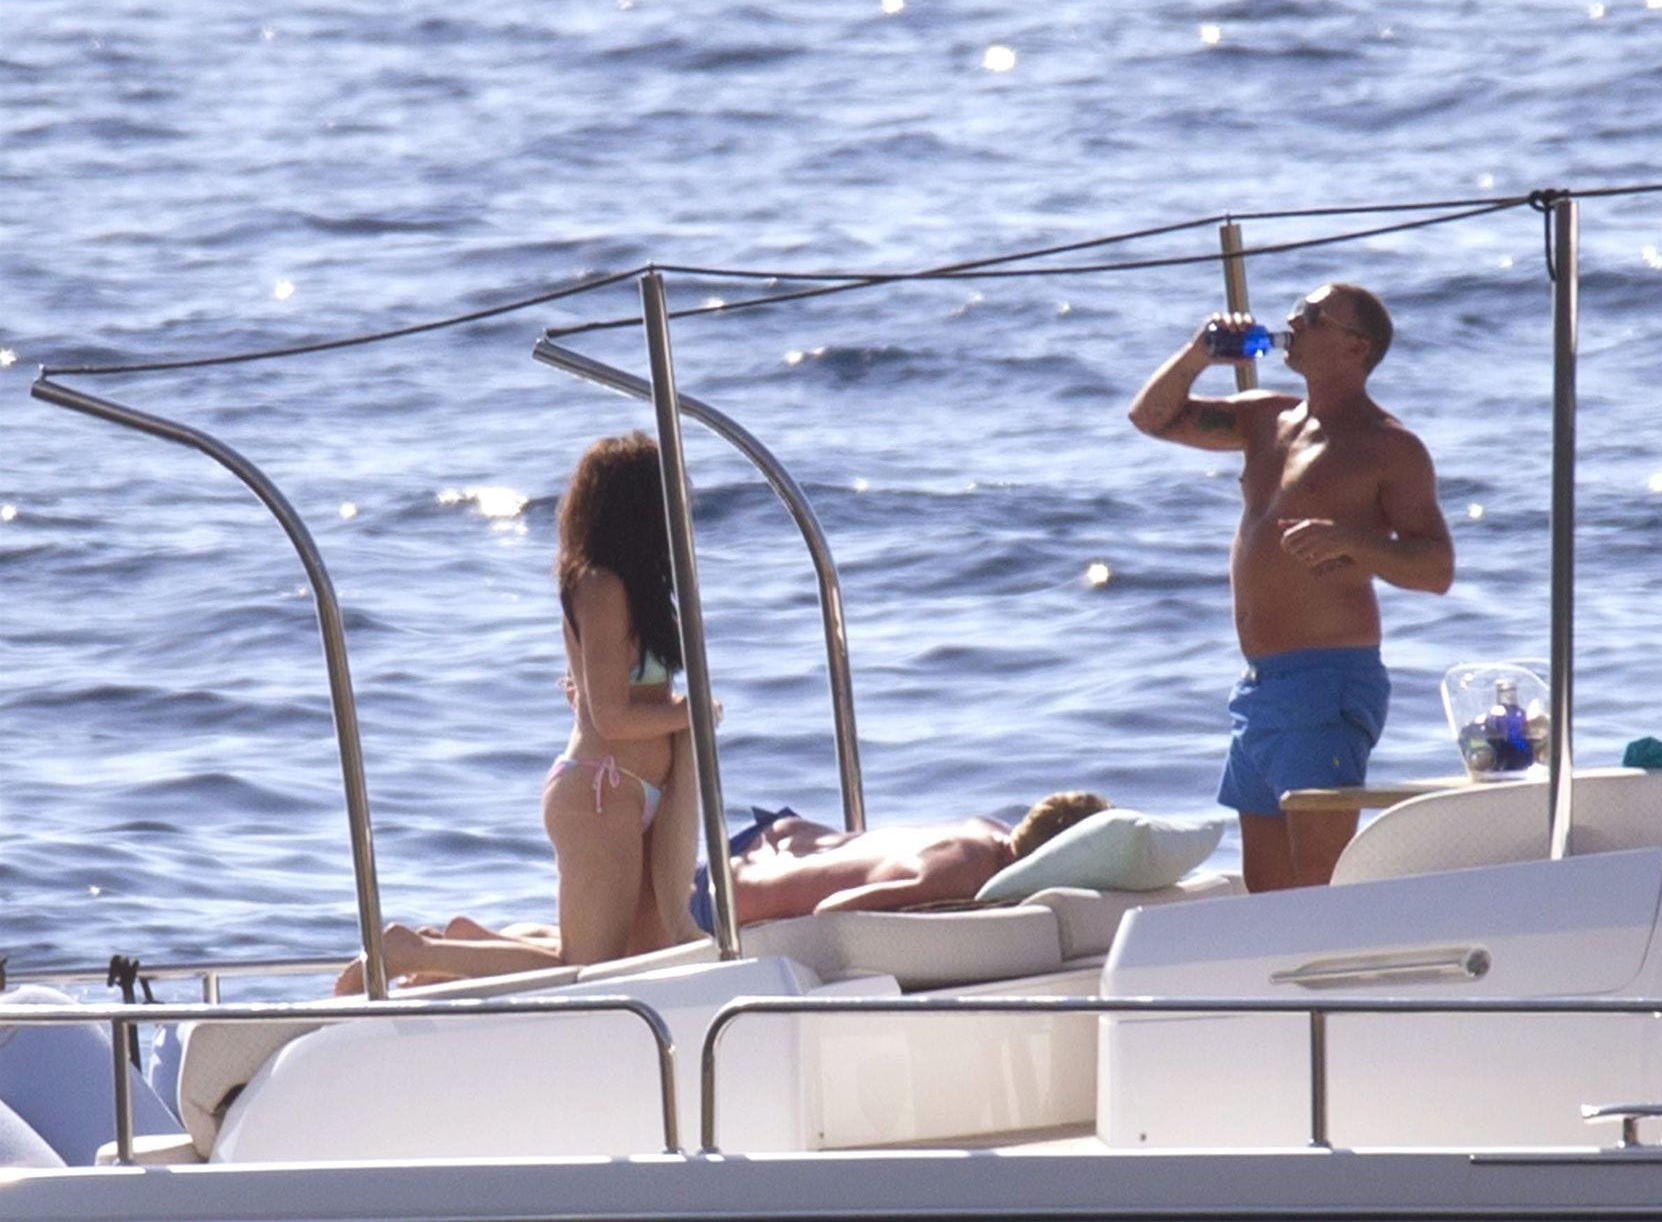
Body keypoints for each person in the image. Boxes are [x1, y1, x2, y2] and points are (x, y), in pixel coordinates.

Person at [338, 432, 705, 995]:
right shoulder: (599, 586)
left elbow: (620, 693)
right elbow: (612, 718)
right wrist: (695, 711)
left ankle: (467, 941)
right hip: (601, 792)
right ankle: (410, 952)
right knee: (585, 968)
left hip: (632, 794)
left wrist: (683, 714)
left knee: (640, 954)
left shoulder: (639, 589)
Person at [1128, 285, 1454, 893]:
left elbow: (1436, 569)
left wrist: (1353, 541)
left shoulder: (1388, 446)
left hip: (1328, 681)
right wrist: (1199, 354)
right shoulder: (1265, 420)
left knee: (1319, 883)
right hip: (1260, 686)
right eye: (1297, 312)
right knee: (1268, 891)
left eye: (1313, 316)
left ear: (1355, 347)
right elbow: (1151, 418)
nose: (1293, 321)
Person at [692, 790, 1114, 930]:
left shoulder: (992, 829)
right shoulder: (970, 875)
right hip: (728, 896)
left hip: (778, 836)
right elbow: (831, 911)